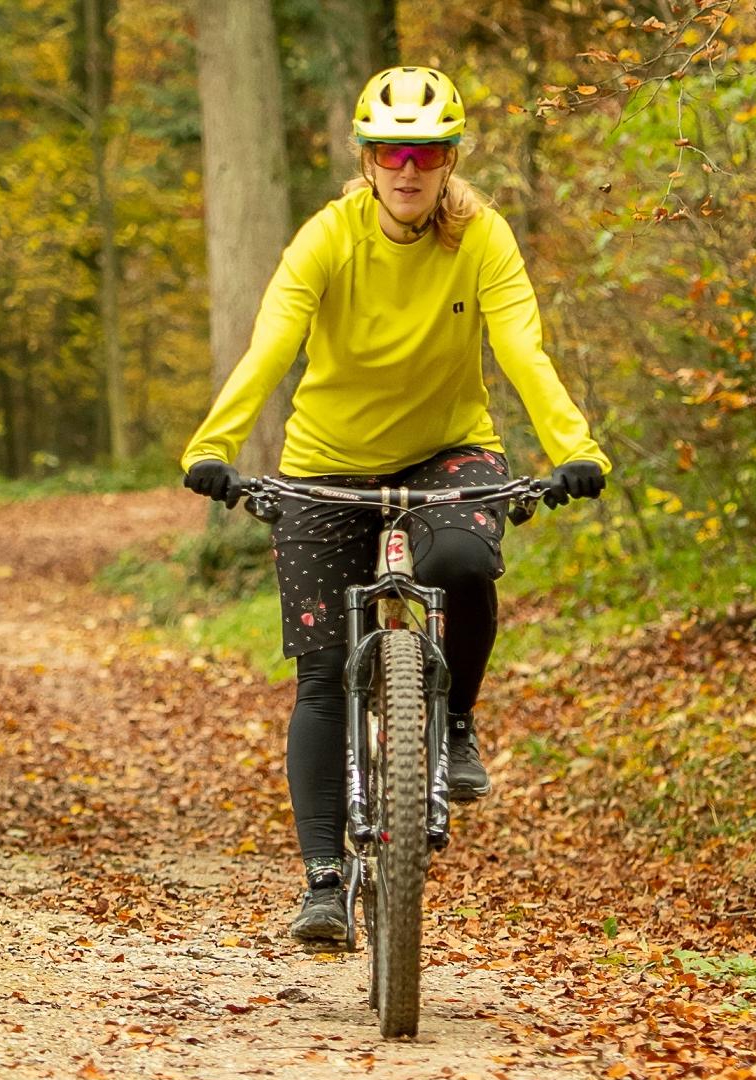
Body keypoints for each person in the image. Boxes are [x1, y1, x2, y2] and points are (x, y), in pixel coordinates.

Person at [180, 67, 610, 944]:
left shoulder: (482, 239)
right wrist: (212, 445)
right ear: (366, 160)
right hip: (326, 464)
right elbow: (272, 347)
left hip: (449, 448)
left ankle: (452, 722)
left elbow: (521, 350)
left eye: (425, 152)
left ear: (450, 160)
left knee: (460, 560)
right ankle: (325, 881)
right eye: (390, 152)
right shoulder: (326, 239)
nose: (407, 169)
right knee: (322, 672)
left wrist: (574, 449)